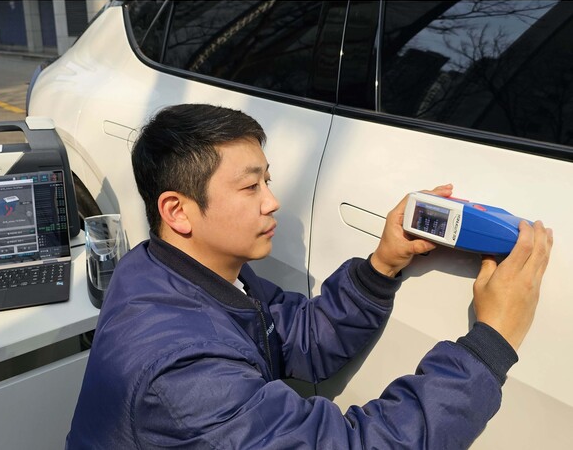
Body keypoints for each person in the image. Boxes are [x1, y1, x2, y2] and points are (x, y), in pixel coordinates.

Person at [66, 104, 553, 449]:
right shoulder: (184, 373)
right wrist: (491, 342)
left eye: (268, 180)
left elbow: (294, 335)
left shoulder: (168, 269)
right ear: (177, 211)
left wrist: (382, 267)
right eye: (250, 186)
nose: (272, 201)